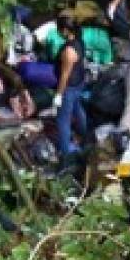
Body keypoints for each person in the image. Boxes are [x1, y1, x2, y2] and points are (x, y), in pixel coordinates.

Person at [52, 14, 89, 160]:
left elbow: (65, 75)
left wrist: (58, 95)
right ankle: (85, 134)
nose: (58, 32)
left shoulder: (69, 51)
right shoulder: (79, 41)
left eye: (59, 29)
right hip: (79, 82)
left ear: (66, 30)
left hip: (69, 87)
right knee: (77, 108)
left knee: (62, 121)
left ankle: (65, 153)